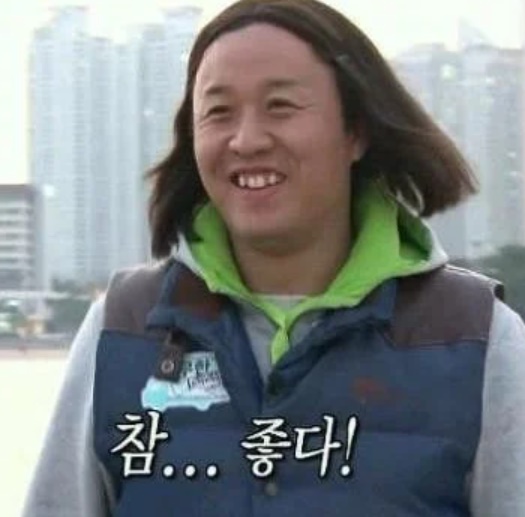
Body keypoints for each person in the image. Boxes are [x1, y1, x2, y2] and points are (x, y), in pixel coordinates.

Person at [23, 0, 525, 516]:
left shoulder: (476, 337)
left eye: (280, 106)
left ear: (355, 130)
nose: (246, 140)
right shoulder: (124, 327)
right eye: (219, 112)